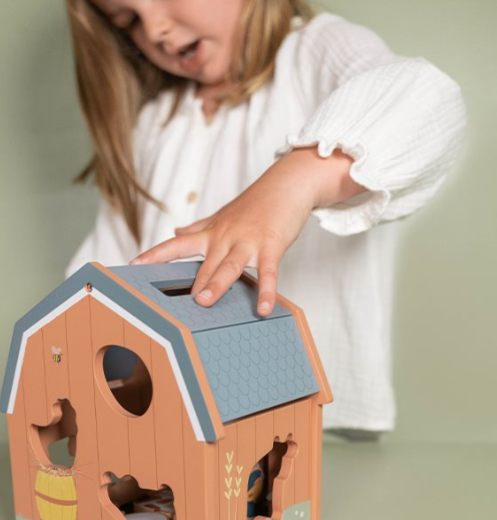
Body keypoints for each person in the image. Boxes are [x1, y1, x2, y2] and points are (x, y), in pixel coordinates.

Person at [62, 0, 466, 436]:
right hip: (174, 425)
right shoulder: (155, 123)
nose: (155, 28)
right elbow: (111, 267)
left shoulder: (313, 53)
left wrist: (293, 184)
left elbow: (426, 98)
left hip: (317, 424)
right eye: (129, 20)